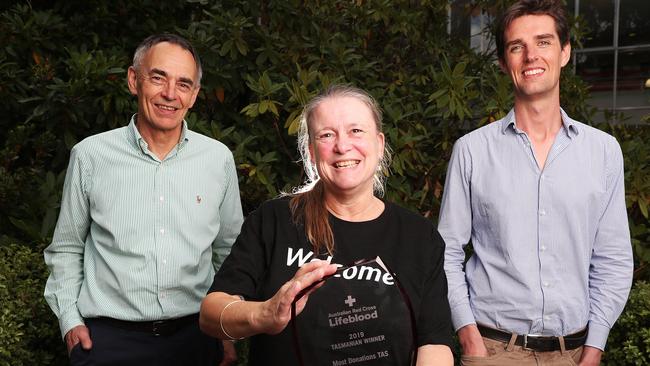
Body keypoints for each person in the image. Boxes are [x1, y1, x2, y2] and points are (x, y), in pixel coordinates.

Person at [199, 85, 454, 365]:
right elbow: (211, 315)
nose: (342, 146)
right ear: (311, 152)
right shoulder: (274, 220)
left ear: (379, 145)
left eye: (356, 131)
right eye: (327, 135)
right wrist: (266, 314)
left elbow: (435, 343)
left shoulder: (418, 236)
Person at [438, 1, 634, 365]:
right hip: (494, 350)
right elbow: (447, 251)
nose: (531, 56)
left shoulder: (604, 152)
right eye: (517, 46)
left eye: (543, 42)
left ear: (564, 52)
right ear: (503, 62)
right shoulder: (472, 152)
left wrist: (594, 349)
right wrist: (469, 337)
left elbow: (614, 259)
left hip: (574, 354)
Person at [44, 33, 244, 366]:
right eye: (158, 78)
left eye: (183, 84)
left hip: (196, 337)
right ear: (134, 80)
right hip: (108, 344)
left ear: (194, 95)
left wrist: (224, 326)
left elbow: (229, 252)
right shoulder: (90, 156)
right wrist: (70, 322)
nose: (170, 94)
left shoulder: (217, 159)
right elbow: (66, 247)